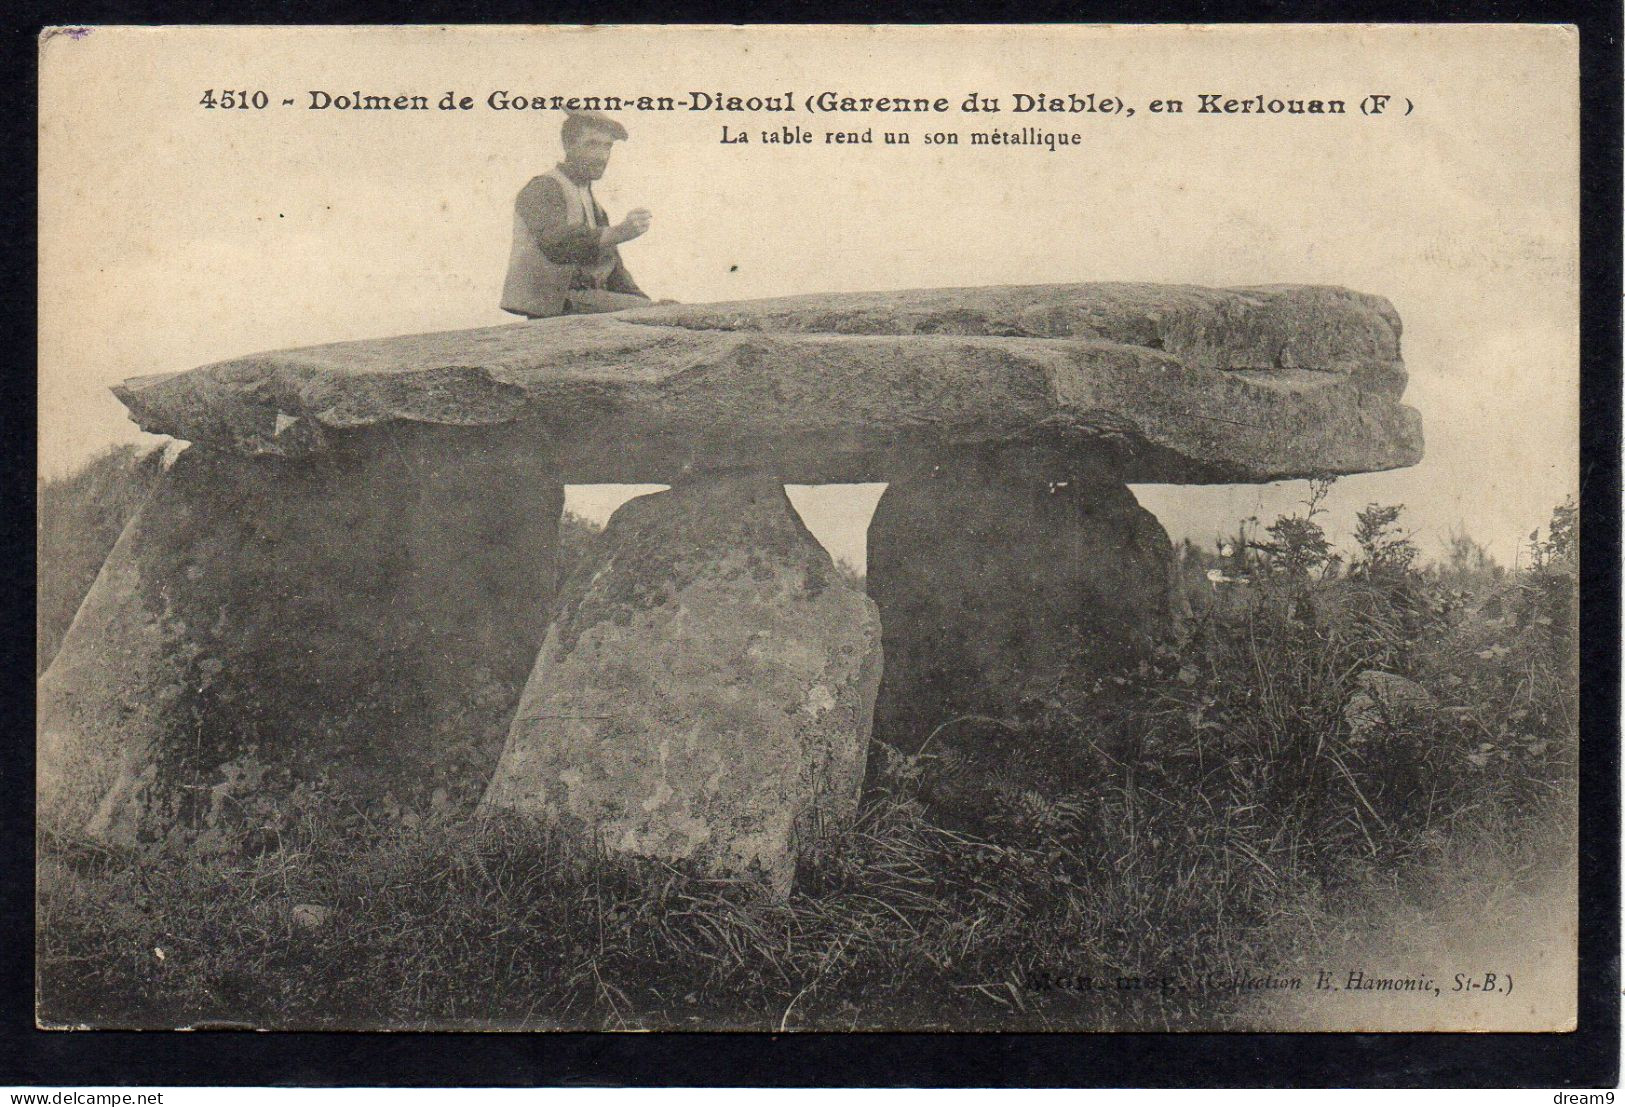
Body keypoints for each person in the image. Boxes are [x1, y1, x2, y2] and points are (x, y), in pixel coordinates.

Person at [500, 111, 654, 319]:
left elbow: (615, 273)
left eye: (607, 146)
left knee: (662, 311)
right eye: (592, 144)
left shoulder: (594, 205)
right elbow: (556, 243)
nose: (601, 156)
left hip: (585, 301)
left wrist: (653, 305)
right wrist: (618, 232)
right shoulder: (543, 188)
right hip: (556, 302)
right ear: (568, 146)